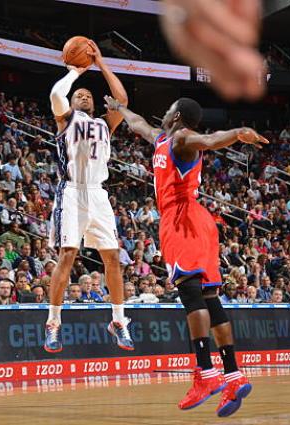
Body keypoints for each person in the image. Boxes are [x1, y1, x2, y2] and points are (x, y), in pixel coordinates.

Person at [105, 95, 267, 416]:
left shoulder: (181, 138)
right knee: (208, 297)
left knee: (191, 293)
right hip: (198, 220)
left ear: (176, 115)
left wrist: (236, 133)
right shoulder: (163, 138)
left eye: (167, 108)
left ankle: (206, 372)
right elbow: (139, 126)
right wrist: (120, 109)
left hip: (181, 217)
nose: (163, 111)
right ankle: (233, 374)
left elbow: (207, 140)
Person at [44, 40, 133, 353]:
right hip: (72, 192)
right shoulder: (66, 120)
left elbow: (121, 99)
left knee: (112, 258)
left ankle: (119, 320)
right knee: (68, 254)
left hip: (98, 194)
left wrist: (102, 64)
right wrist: (75, 72)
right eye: (78, 95)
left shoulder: (104, 124)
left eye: (86, 95)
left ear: (93, 105)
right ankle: (53, 323)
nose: (82, 96)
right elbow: (57, 95)